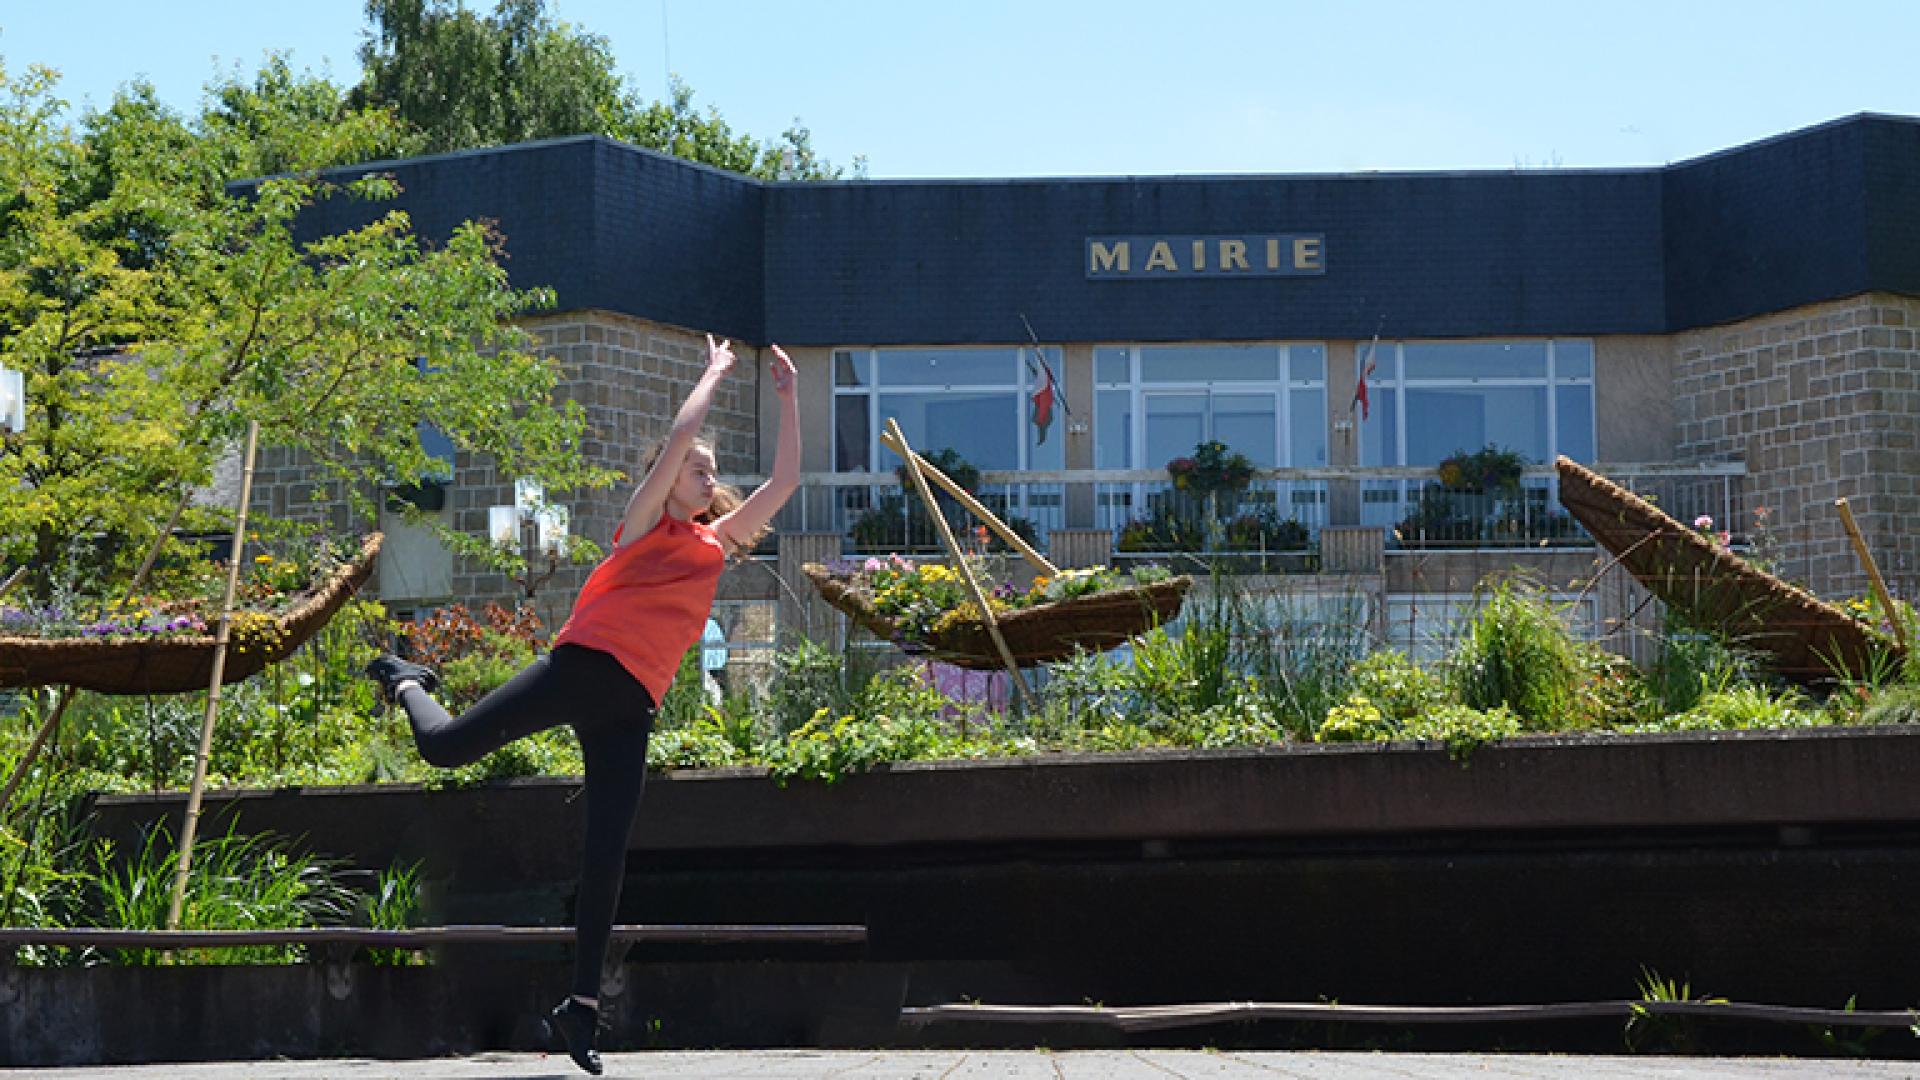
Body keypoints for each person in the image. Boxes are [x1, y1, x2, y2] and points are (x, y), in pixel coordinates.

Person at [364, 334, 799, 1075]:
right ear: (668, 480)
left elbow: (786, 480)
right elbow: (679, 439)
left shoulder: (715, 545)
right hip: (582, 667)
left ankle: (582, 1007)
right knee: (444, 749)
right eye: (698, 470)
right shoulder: (641, 525)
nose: (708, 477)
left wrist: (788, 397)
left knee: (606, 856)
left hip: (630, 707)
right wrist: (714, 373)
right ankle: (406, 679)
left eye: (713, 473)